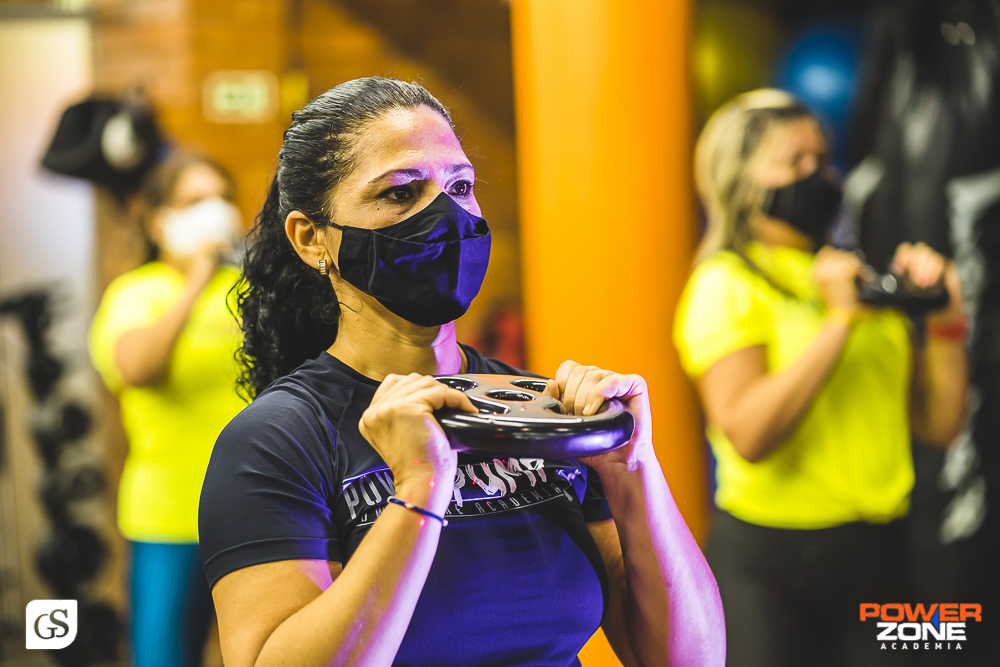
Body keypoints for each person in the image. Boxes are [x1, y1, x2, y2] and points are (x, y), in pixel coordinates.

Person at [198, 77, 725, 667]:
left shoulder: (539, 414)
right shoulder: (278, 441)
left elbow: (688, 659)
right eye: (401, 193)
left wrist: (632, 469)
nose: (446, 215)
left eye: (460, 186)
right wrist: (419, 492)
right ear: (311, 238)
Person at [673, 89, 969, 667]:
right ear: (742, 182)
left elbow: (938, 426)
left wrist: (946, 322)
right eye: (795, 162)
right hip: (772, 566)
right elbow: (750, 436)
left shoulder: (852, 275)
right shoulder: (724, 283)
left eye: (822, 159)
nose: (820, 175)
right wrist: (838, 322)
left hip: (881, 555)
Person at [89, 153, 246, 667]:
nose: (216, 210)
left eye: (222, 197)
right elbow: (137, 367)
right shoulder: (137, 293)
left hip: (256, 508)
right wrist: (198, 275)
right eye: (195, 201)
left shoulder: (250, 291)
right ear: (159, 220)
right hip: (169, 516)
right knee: (163, 657)